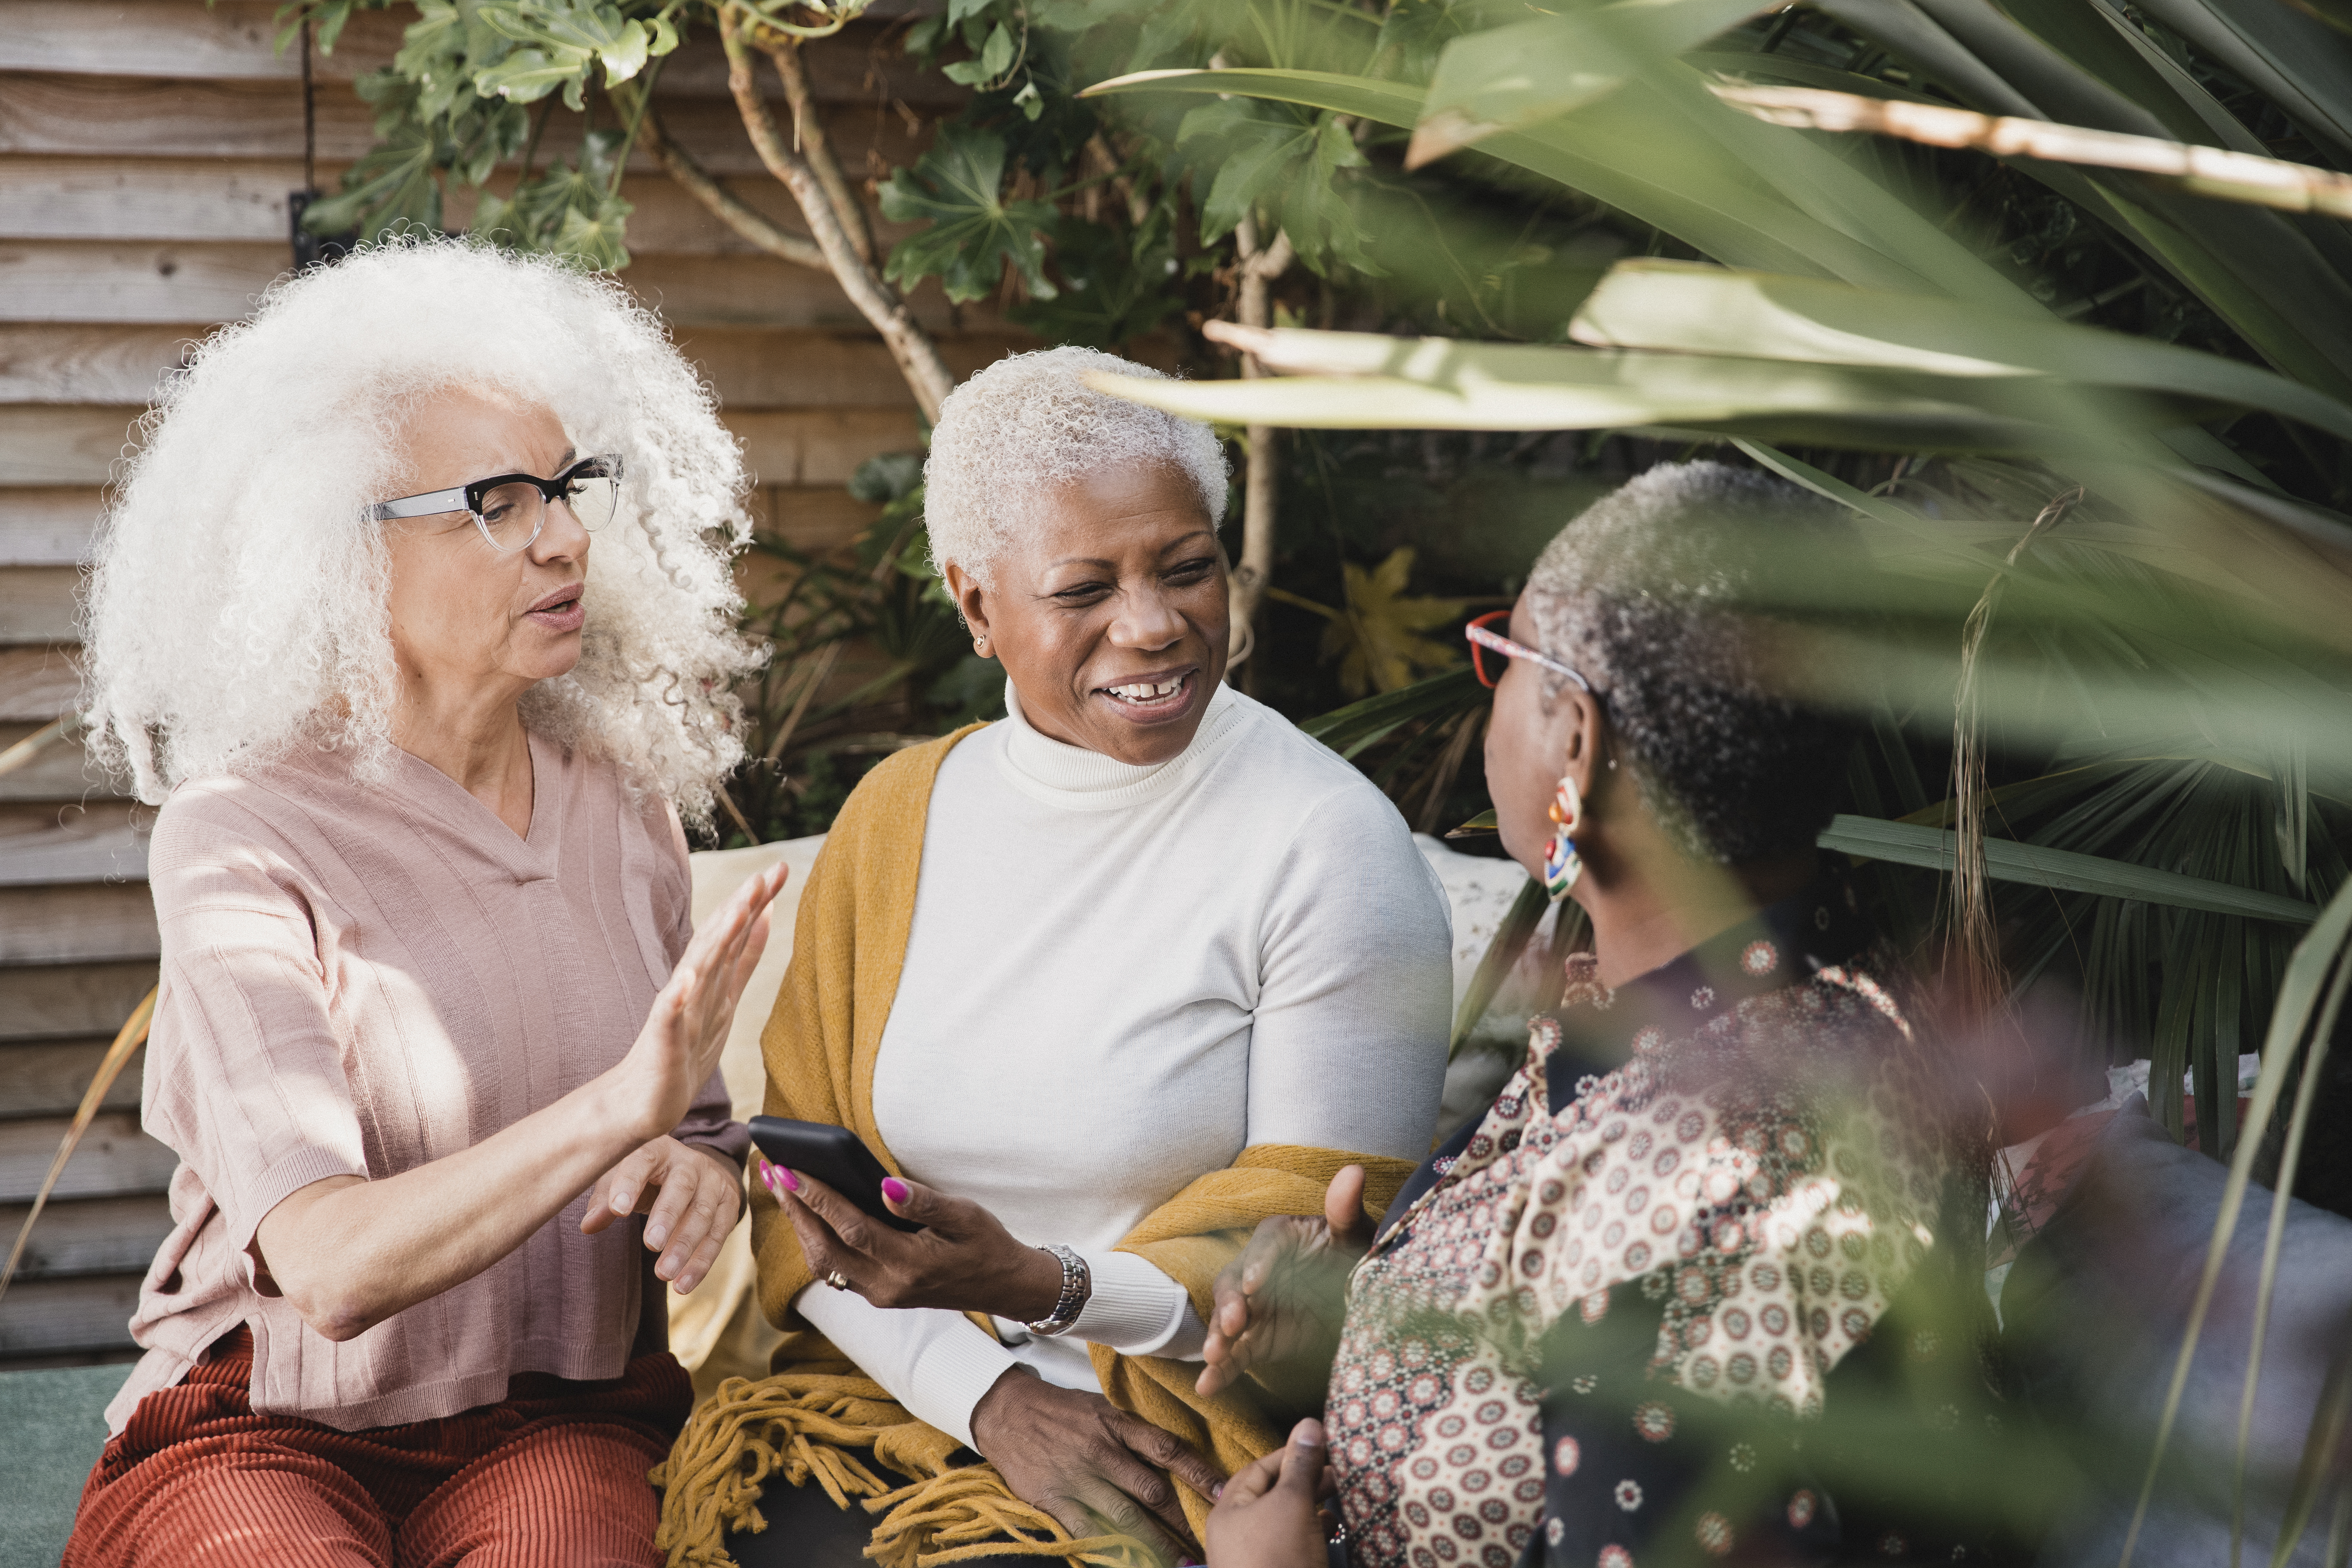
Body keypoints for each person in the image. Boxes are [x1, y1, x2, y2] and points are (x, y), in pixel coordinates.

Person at [654, 347, 1457, 1568]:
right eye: (1083, 590)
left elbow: (1316, 1271)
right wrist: (993, 1402)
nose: (1152, 627)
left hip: (1195, 1454)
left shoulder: (1328, 843)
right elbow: (802, 1220)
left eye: (1188, 570)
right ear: (976, 604)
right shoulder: (897, 820)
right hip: (911, 1408)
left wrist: (1047, 1285)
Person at [63, 239, 790, 1568]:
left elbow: (690, 1137)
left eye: (569, 488)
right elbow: (330, 1267)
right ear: (334, 550)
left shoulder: (623, 811)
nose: (564, 536)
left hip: (555, 1422)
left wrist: (695, 1175)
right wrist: (610, 1118)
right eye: (499, 501)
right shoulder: (242, 835)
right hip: (266, 1422)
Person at [1193, 463, 2012, 1568]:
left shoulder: (1701, 1191)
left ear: (1573, 737)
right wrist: (1362, 1329)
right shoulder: (1788, 1011)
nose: (1487, 694)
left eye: (1506, 661)